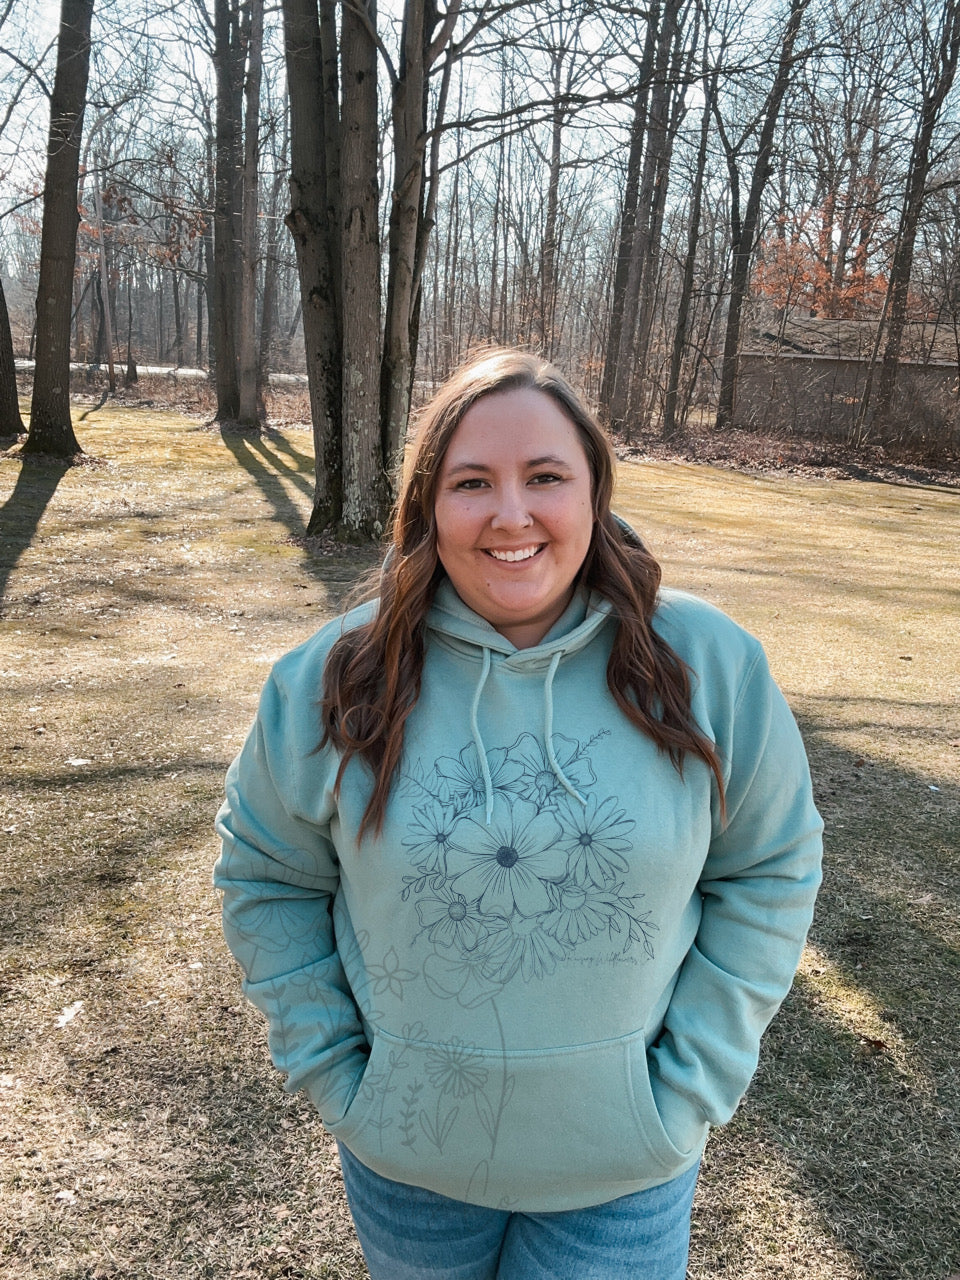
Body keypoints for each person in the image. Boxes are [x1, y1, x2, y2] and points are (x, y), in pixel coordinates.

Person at [214, 348, 823, 1280]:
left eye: (545, 477)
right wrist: (341, 1074)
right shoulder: (334, 679)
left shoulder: (708, 666)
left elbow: (770, 869)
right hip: (408, 1162)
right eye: (472, 483)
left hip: (623, 1173)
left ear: (593, 494)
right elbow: (267, 876)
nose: (511, 514)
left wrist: (688, 1088)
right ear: (426, 505)